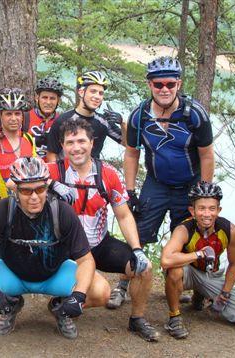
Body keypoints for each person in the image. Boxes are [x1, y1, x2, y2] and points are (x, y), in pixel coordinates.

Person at [0, 157, 110, 339]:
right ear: (15, 190)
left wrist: (78, 296)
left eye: (40, 189)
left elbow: (86, 260)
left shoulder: (62, 211)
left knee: (101, 292)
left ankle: (60, 307)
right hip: (13, 273)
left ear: (47, 188)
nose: (34, 197)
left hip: (54, 274)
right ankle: (11, 305)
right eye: (26, 191)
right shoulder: (2, 210)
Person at [113, 56, 214, 308]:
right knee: (138, 234)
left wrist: (205, 193)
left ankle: (196, 288)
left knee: (191, 237)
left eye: (170, 84)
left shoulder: (195, 114)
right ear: (150, 85)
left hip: (189, 185)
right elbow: (131, 152)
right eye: (158, 85)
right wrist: (130, 189)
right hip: (156, 184)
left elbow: (207, 154)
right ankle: (123, 285)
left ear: (179, 84)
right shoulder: (140, 115)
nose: (164, 89)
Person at [48, 119, 159, 342]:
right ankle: (61, 304)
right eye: (70, 142)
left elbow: (124, 215)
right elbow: (14, 179)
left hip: (98, 244)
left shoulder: (107, 174)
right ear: (62, 145)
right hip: (65, 250)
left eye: (81, 141)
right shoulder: (53, 170)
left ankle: (136, 319)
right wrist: (51, 184)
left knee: (144, 268)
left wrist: (137, 249)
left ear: (92, 143)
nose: (76, 147)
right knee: (96, 292)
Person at [161, 181, 235, 339]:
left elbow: (234, 263)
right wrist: (199, 254)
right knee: (174, 270)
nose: (207, 214)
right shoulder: (184, 229)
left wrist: (225, 293)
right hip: (189, 270)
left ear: (219, 210)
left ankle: (199, 296)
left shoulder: (229, 230)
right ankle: (174, 317)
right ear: (192, 210)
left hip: (212, 275)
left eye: (212, 208)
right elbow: (166, 260)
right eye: (201, 208)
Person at [45, 70, 123, 162]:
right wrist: (57, 175)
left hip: (94, 173)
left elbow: (126, 143)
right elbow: (51, 154)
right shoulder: (63, 120)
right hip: (67, 173)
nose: (97, 96)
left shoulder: (104, 121)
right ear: (81, 92)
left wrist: (122, 122)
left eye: (100, 93)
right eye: (93, 91)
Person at [24, 77, 63, 161]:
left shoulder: (62, 121)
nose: (48, 102)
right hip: (29, 169)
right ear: (37, 98)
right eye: (44, 97)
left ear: (58, 101)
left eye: (52, 98)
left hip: (55, 169)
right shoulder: (25, 118)